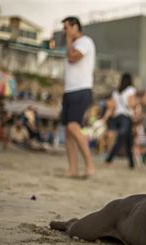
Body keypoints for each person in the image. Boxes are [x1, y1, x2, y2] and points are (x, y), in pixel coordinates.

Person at [61, 16, 96, 177]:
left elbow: (73, 58)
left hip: (81, 90)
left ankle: (89, 165)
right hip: (69, 91)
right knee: (67, 132)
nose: (64, 31)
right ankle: (72, 169)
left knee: (73, 127)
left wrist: (68, 40)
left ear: (75, 27)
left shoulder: (85, 41)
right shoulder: (74, 44)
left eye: (66, 27)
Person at [103, 73, 137, 169]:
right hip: (126, 117)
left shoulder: (116, 92)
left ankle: (131, 163)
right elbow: (132, 104)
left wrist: (104, 118)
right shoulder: (131, 90)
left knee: (128, 140)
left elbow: (111, 107)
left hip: (117, 117)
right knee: (121, 140)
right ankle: (109, 159)